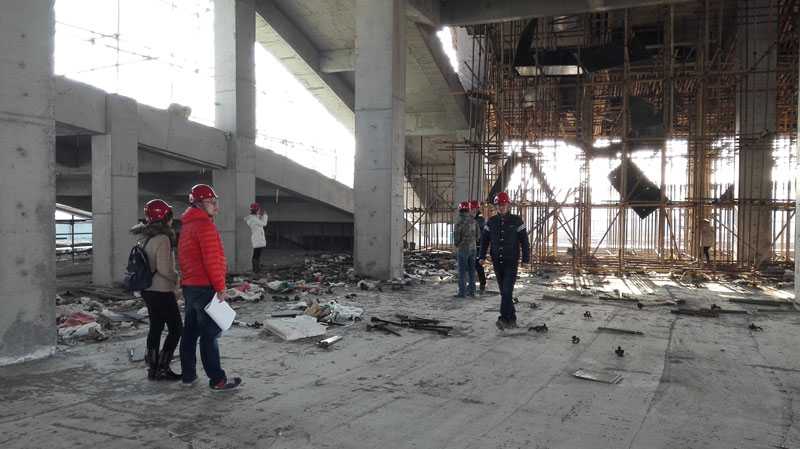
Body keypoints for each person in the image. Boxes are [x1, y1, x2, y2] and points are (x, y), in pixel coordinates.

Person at [178, 184, 242, 391]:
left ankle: (188, 375)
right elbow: (212, 260)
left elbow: (184, 259)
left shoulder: (187, 226)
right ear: (198, 203)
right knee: (210, 334)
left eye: (216, 202)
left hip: (190, 286)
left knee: (190, 332)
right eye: (211, 202)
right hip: (204, 287)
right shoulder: (204, 226)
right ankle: (217, 380)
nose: (216, 206)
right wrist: (220, 287)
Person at [130, 199, 182, 381]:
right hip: (161, 291)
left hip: (148, 290)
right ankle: (163, 367)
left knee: (156, 327)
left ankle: (153, 368)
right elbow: (164, 269)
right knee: (176, 328)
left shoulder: (145, 237)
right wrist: (177, 278)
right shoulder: (163, 239)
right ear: (166, 217)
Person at [479, 192, 530, 330]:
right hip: (497, 262)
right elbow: (484, 240)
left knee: (507, 291)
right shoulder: (491, 222)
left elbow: (524, 241)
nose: (501, 207)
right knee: (504, 292)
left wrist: (526, 259)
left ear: (508, 205)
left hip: (511, 262)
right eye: (499, 205)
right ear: (496, 206)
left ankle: (503, 318)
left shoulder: (517, 221)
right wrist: (481, 256)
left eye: (503, 205)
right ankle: (511, 318)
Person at [453, 201, 477, 298]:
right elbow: (478, 235)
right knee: (472, 270)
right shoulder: (474, 221)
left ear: (460, 210)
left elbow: (456, 238)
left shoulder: (459, 223)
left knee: (462, 272)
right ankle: (472, 291)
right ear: (469, 209)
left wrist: (458, 244)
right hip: (473, 249)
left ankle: (462, 292)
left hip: (463, 249)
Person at [245, 202, 268, 273]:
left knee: (257, 254)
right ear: (257, 210)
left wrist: (261, 216)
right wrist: (265, 216)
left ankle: (256, 269)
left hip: (257, 238)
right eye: (258, 209)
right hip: (258, 239)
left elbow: (258, 219)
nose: (259, 210)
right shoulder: (253, 219)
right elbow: (264, 223)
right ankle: (256, 270)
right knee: (256, 255)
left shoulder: (253, 218)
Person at [470, 200, 487, 294]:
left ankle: (482, 283)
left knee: (478, 265)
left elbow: (478, 232)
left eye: (473, 208)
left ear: (477, 209)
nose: (472, 210)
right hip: (471, 245)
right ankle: (472, 284)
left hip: (478, 246)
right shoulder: (472, 218)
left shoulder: (480, 219)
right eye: (471, 209)